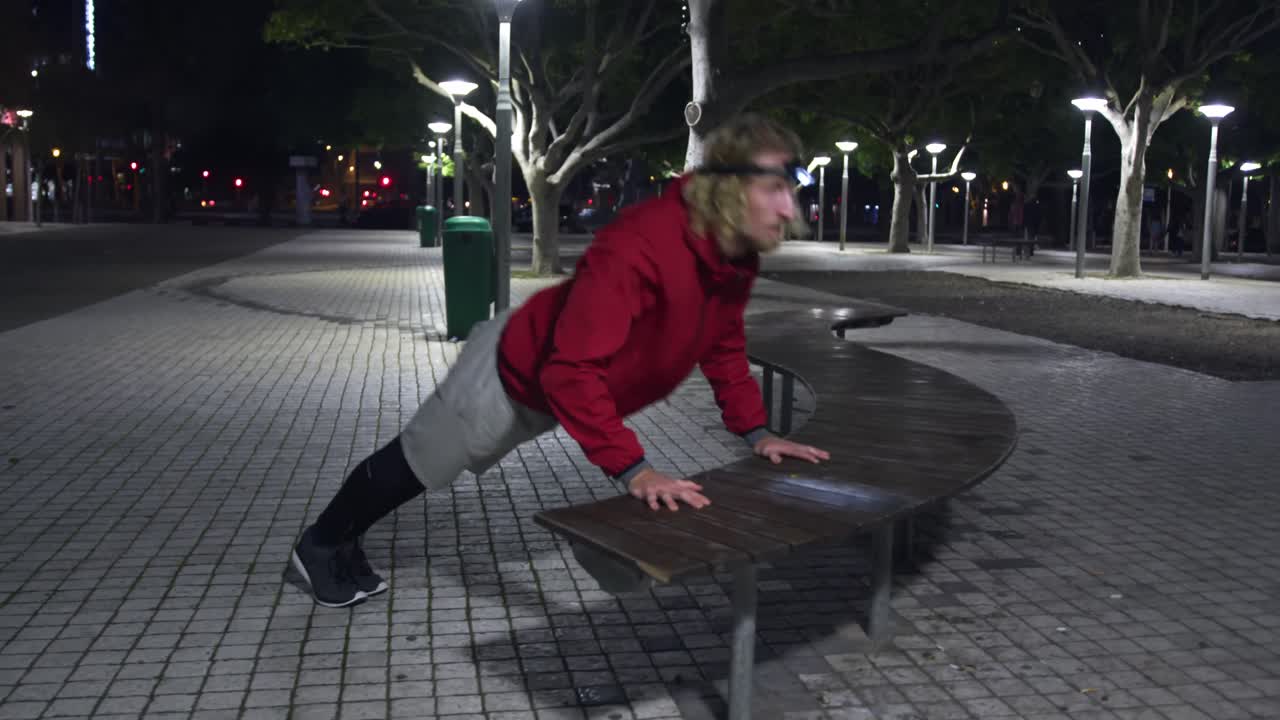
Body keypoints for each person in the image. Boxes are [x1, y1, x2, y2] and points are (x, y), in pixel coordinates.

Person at [290, 114, 832, 607]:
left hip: (565, 382)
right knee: (421, 462)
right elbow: (568, 370)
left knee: (423, 465)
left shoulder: (732, 258)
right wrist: (635, 470)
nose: (790, 209)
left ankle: (343, 539)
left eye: (793, 190)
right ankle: (319, 545)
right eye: (775, 189)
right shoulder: (643, 244)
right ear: (728, 188)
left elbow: (722, 342)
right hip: (514, 371)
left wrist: (757, 431)